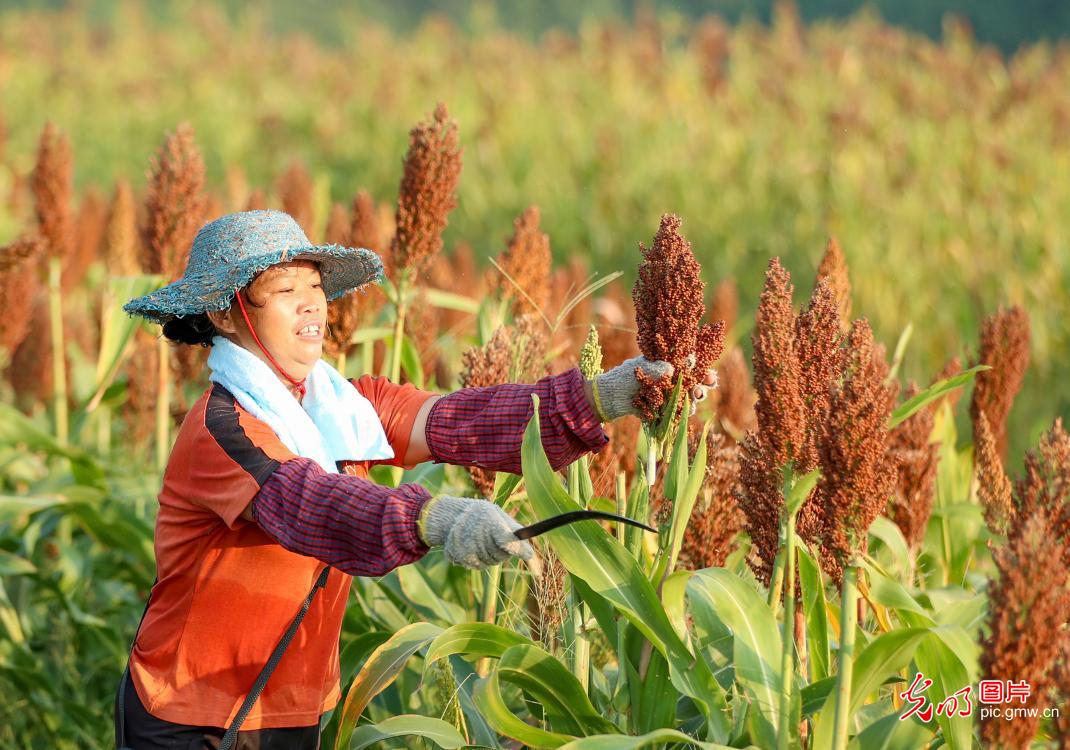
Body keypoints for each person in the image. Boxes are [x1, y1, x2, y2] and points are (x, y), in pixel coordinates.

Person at [114, 210, 716, 749]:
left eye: (317, 288)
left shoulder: (344, 408)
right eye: (286, 290)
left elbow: (459, 420)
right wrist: (433, 518)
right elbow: (307, 504)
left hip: (293, 707)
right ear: (227, 312)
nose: (312, 305)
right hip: (191, 715)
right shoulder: (221, 429)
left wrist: (603, 395)